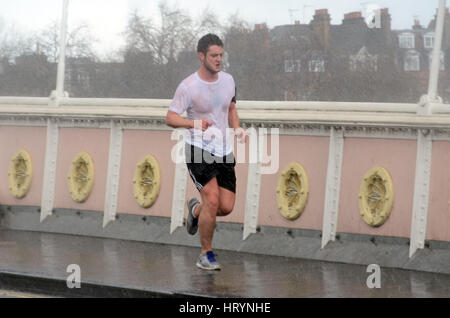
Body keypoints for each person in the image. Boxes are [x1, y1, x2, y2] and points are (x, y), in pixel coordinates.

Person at [166, 33, 247, 270]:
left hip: (223, 150)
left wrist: (238, 128)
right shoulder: (188, 86)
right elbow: (170, 117)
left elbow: (231, 108)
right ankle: (206, 254)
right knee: (212, 198)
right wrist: (192, 124)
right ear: (201, 56)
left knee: (225, 206)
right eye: (214, 55)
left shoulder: (229, 80)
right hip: (198, 149)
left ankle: (195, 211)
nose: (219, 59)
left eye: (221, 55)